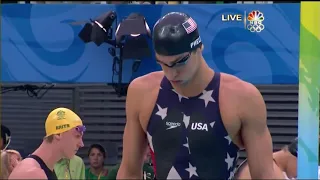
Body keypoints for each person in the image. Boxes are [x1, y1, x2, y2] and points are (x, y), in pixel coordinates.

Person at [117, 12, 280, 179]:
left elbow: (264, 175)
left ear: (199, 47)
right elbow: (129, 172)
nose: (172, 73)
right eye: (163, 64)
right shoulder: (141, 92)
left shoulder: (242, 97)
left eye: (180, 62)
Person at [8, 107, 85, 180]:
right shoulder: (32, 173)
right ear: (58, 134)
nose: (81, 144)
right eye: (77, 136)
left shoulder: (45, 169)